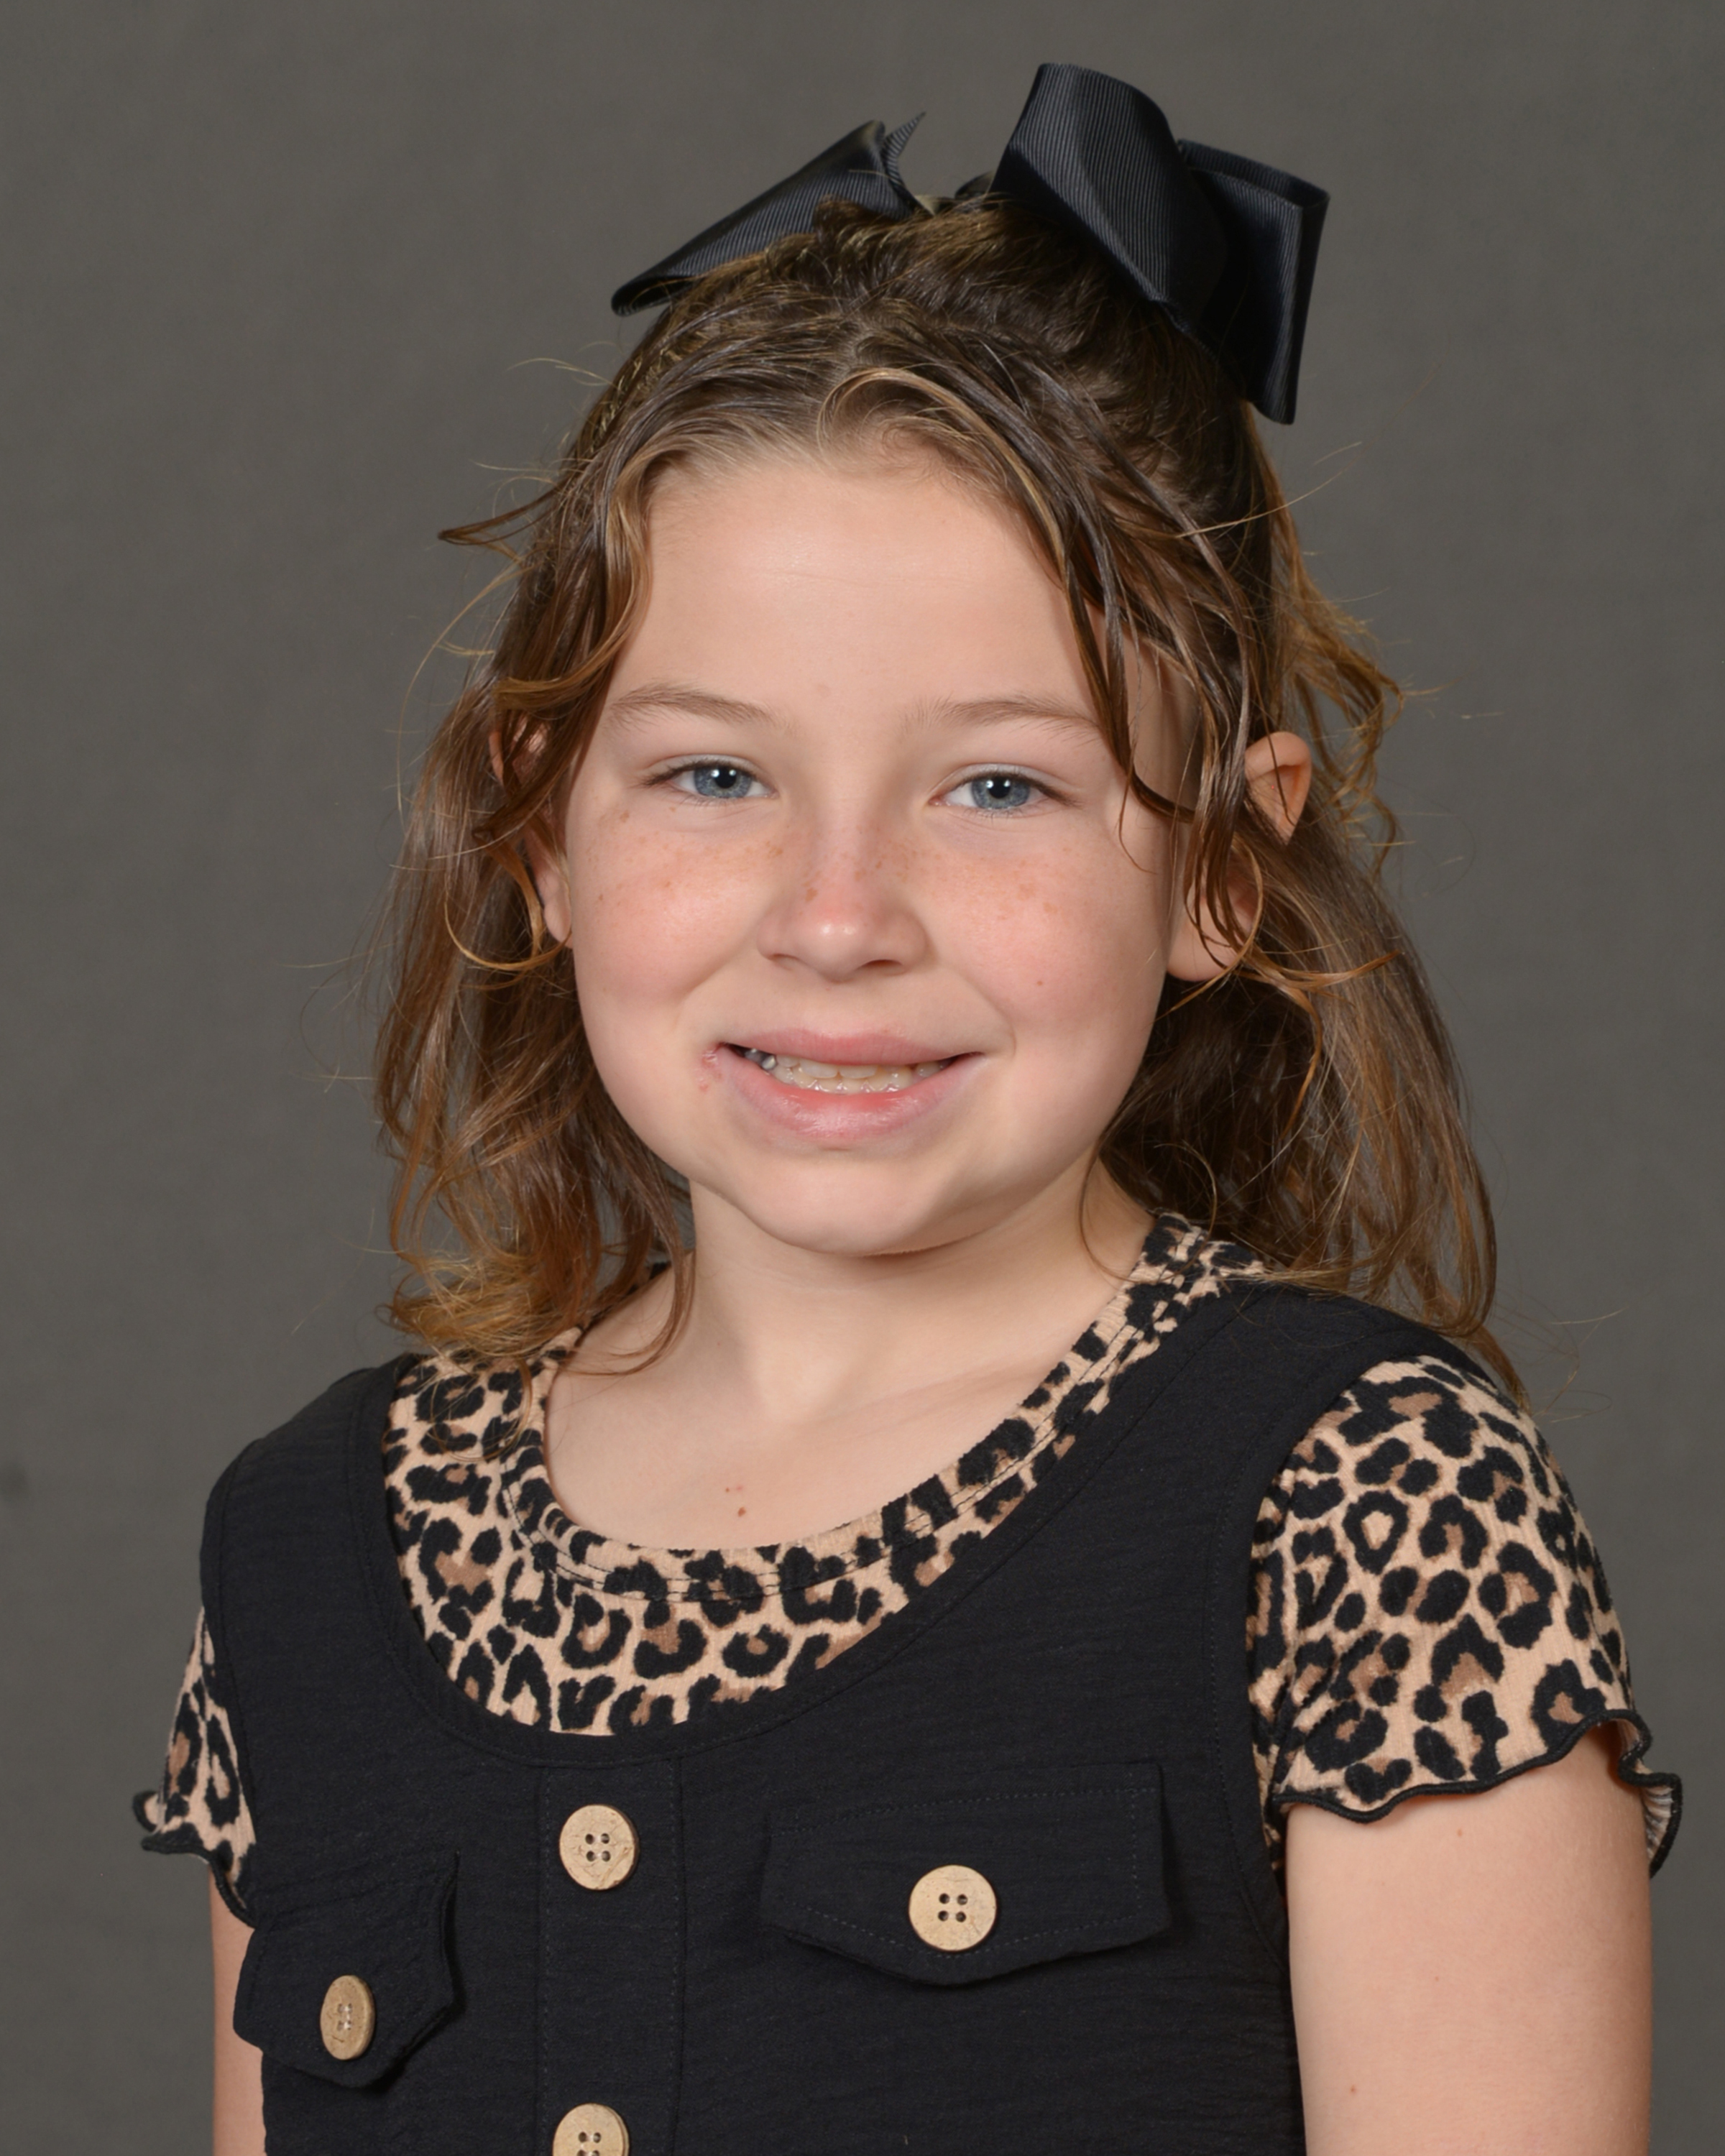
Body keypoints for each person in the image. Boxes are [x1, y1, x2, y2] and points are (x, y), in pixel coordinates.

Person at [137, 63, 1678, 2156]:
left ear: (1225, 864)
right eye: (713, 775)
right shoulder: (309, 1552)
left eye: (1000, 785)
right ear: (536, 831)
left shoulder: (1360, 1508)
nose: (839, 916)